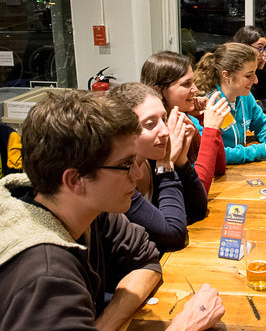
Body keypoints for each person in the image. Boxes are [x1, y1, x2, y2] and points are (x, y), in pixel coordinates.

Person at [0, 90, 224, 330]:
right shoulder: (45, 276)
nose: (137, 174)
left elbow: (146, 261)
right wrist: (184, 326)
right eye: (125, 165)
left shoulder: (90, 209)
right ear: (75, 180)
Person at [108, 83, 222, 251]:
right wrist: (166, 167)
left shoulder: (151, 157)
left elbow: (197, 208)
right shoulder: (117, 179)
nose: (165, 131)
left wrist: (181, 162)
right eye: (150, 124)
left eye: (164, 119)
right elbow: (173, 235)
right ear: (121, 132)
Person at [141, 51, 228, 192]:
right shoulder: (162, 134)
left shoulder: (184, 119)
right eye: (186, 84)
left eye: (193, 82)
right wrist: (210, 130)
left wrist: (203, 119)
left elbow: (219, 168)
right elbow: (199, 190)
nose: (195, 89)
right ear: (159, 91)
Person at [195, 42, 266, 164]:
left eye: (255, 73)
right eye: (248, 76)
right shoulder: (204, 105)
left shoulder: (245, 96)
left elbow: (261, 123)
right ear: (226, 75)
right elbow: (210, 153)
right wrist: (260, 152)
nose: (255, 80)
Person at [232, 25, 266, 113]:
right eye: (260, 48)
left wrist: (260, 67)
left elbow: (262, 96)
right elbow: (244, 108)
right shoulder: (235, 69)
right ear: (245, 46)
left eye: (264, 48)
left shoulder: (251, 68)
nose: (263, 53)